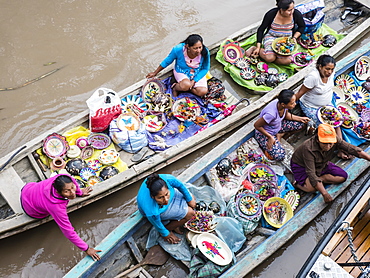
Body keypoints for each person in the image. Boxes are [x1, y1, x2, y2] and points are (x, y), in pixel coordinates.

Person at [20, 174, 102, 261]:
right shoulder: (56, 207)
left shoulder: (63, 178)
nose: (72, 193)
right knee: (45, 212)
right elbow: (68, 231)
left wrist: (80, 192)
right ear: (58, 192)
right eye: (67, 191)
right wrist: (87, 249)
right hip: (31, 209)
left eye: (73, 188)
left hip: (27, 189)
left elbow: (73, 183)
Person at [291, 123, 370, 203]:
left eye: (331, 143)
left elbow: (352, 149)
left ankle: (321, 179)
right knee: (311, 188)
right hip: (302, 166)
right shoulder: (308, 148)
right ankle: (297, 183)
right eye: (325, 143)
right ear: (318, 140)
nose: (328, 146)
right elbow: (310, 172)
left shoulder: (334, 139)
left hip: (322, 163)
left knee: (343, 177)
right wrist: (325, 194)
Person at [136, 173, 196, 244]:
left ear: (168, 188)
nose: (166, 200)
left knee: (192, 198)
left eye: (167, 194)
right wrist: (165, 234)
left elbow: (180, 185)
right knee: (190, 213)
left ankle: (175, 221)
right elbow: (156, 222)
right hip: (160, 208)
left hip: (171, 196)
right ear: (153, 197)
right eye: (160, 197)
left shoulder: (168, 179)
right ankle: (169, 227)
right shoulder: (152, 211)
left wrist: (189, 199)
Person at [146, 34, 210, 97]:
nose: (198, 51)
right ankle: (175, 88)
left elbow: (205, 68)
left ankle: (187, 89)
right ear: (188, 47)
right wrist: (155, 73)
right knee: (186, 84)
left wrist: (194, 80)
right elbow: (167, 61)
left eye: (200, 47)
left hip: (197, 73)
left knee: (203, 91)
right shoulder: (178, 49)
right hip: (181, 71)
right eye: (195, 48)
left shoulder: (205, 52)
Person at [254, 89, 310, 161]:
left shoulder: (282, 106)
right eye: (292, 103)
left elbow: (286, 115)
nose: (295, 104)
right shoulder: (271, 114)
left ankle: (279, 136)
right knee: (280, 156)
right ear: (283, 104)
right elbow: (257, 125)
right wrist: (270, 137)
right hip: (264, 133)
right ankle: (276, 139)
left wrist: (300, 118)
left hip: (277, 126)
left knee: (302, 124)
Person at [246, 0, 305, 65]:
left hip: (286, 39)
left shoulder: (296, 14)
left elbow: (302, 26)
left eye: (293, 9)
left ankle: (274, 56)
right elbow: (261, 30)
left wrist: (294, 37)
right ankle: (256, 49)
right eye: (289, 10)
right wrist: (258, 47)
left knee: (287, 61)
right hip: (271, 37)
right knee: (269, 58)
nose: (292, 12)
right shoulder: (271, 14)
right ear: (281, 9)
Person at [295, 54, 336, 128]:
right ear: (320, 67)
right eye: (327, 69)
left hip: (327, 104)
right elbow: (300, 92)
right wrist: (289, 104)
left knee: (336, 120)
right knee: (324, 125)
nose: (330, 72)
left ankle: (339, 139)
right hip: (311, 106)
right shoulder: (313, 77)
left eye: (332, 69)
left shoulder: (331, 73)